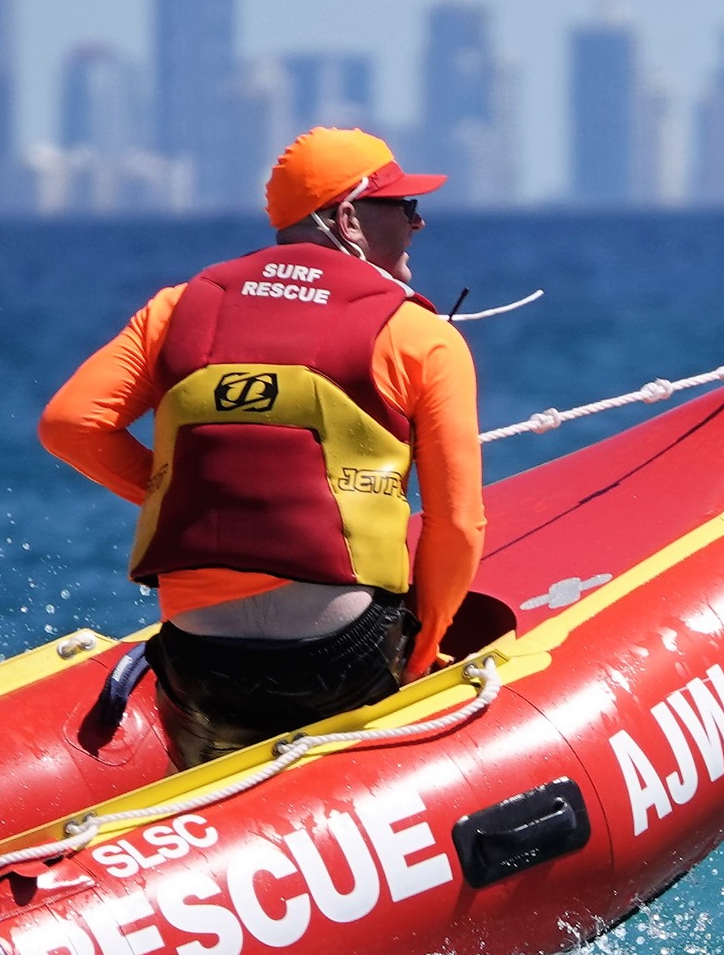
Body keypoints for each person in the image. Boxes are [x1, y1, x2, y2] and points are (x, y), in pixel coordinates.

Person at [40, 127, 487, 767]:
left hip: (200, 665)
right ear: (349, 217)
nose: (419, 224)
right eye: (405, 208)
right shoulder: (418, 333)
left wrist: (188, 495)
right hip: (346, 655)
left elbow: (70, 425)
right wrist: (423, 652)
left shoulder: (176, 308)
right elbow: (459, 524)